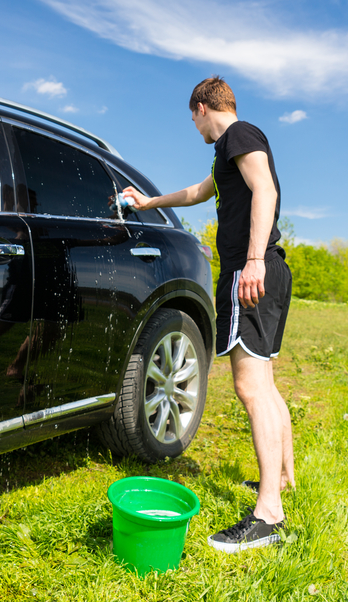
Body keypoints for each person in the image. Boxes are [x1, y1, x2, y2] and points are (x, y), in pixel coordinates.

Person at [122, 76, 295, 553]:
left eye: (192, 118)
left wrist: (254, 260)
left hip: (251, 269)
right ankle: (278, 484)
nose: (194, 127)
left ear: (202, 108)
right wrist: (148, 202)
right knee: (266, 382)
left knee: (249, 386)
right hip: (264, 269)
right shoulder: (226, 155)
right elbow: (197, 193)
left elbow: (265, 191)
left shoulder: (238, 135)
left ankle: (269, 516)